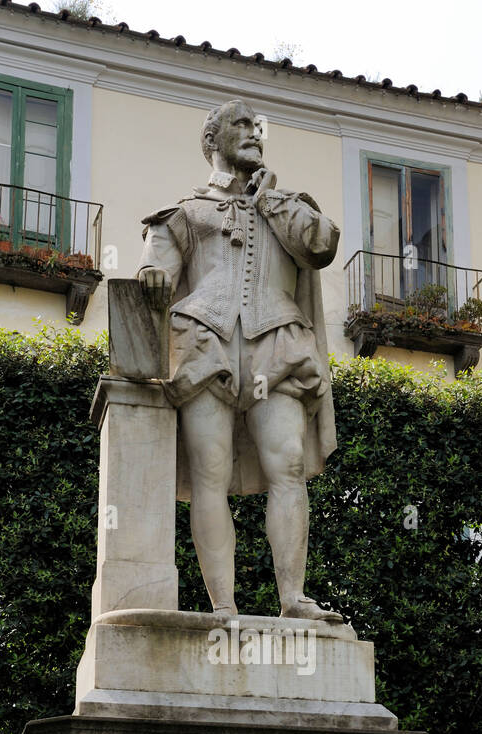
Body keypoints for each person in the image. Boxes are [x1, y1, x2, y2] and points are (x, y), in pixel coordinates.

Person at [137, 97, 342, 622]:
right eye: (241, 125)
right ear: (213, 141)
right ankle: (223, 607)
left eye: (257, 126)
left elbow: (321, 246)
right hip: (204, 341)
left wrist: (269, 199)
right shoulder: (187, 210)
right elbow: (153, 265)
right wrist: (153, 274)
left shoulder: (288, 205)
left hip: (277, 340)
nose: (254, 132)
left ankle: (293, 599)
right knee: (209, 470)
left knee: (288, 464)